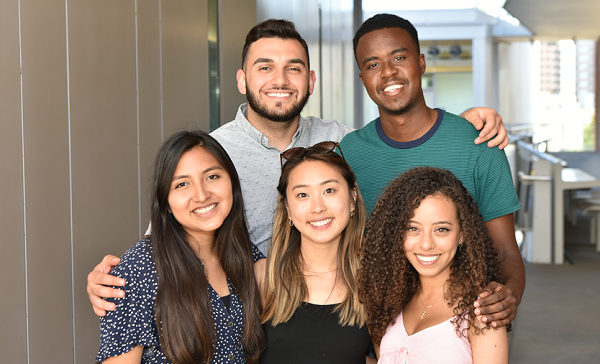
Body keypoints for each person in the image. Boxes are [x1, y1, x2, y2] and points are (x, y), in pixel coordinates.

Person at [87, 19, 509, 316]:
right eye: (264, 67)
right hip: (243, 324)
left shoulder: (344, 142)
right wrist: (112, 281)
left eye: (293, 68)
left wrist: (466, 121)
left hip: (343, 312)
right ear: (241, 79)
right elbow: (166, 238)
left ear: (311, 80)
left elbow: (404, 147)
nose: (280, 79)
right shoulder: (210, 155)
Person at [340, 13, 525, 329]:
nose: (388, 72)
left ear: (421, 63)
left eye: (399, 57)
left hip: (465, 325)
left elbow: (506, 250)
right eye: (372, 65)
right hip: (377, 328)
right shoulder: (349, 153)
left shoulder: (478, 143)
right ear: (362, 79)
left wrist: (508, 294)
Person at [96, 130, 266, 363]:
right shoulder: (139, 268)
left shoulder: (244, 252)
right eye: (182, 184)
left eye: (212, 177)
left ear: (232, 183)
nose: (202, 194)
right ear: (165, 202)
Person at [359, 167, 509, 363]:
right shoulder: (387, 302)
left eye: (441, 229)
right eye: (413, 228)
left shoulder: (482, 311)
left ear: (462, 234)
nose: (426, 244)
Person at [257, 142, 372, 363]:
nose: (317, 207)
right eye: (302, 195)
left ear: (352, 199)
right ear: (288, 209)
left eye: (329, 190)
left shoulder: (372, 281)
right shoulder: (264, 276)